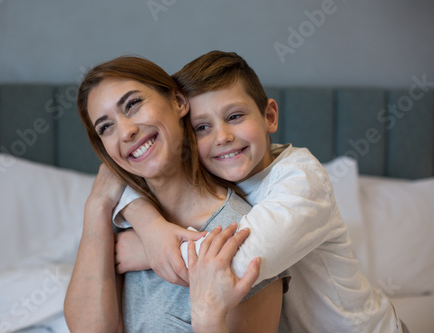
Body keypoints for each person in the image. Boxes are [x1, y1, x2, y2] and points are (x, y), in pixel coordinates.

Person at [112, 51, 408, 333]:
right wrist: (148, 225)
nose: (223, 137)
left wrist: (150, 252)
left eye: (235, 116)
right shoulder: (212, 172)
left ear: (269, 116)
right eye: (202, 127)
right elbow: (136, 181)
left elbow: (240, 261)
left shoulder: (301, 180)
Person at [63, 55, 289, 332]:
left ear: (178, 102)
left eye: (133, 104)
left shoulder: (241, 235)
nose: (125, 132)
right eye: (105, 127)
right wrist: (97, 204)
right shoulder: (121, 217)